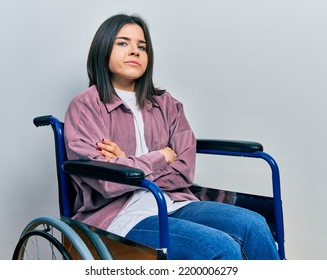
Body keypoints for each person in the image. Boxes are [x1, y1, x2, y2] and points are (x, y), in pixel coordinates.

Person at [64, 13, 280, 260]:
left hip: (175, 202)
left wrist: (129, 164)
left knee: (255, 224)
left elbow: (184, 170)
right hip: (119, 215)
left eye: (141, 46)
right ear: (102, 50)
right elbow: (107, 183)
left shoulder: (167, 104)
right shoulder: (86, 106)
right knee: (220, 247)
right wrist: (161, 156)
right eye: (123, 43)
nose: (134, 51)